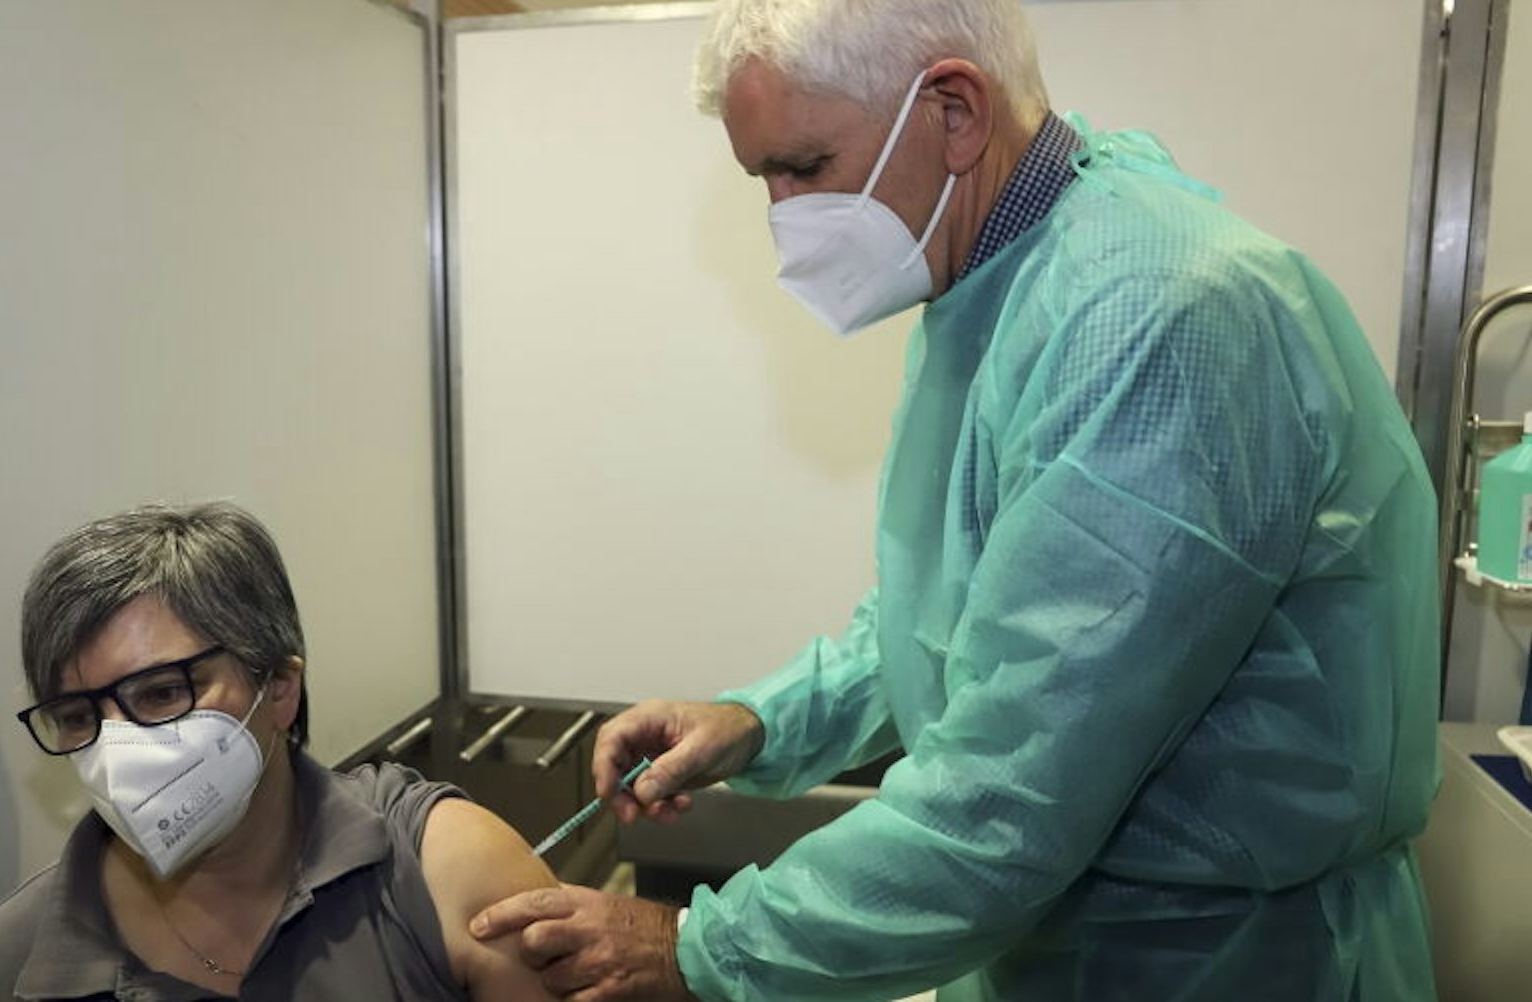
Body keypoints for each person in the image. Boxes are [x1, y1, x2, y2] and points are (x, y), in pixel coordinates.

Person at [470, 1, 1441, 1000]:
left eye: (802, 167)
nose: (783, 221)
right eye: (764, 179)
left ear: (954, 111)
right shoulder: (998, 288)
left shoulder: (1155, 319)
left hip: (1213, 965)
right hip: (1060, 949)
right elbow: (970, 614)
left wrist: (696, 948)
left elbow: (1020, 779)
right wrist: (760, 721)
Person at [0, 502, 560, 1001]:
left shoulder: (443, 873)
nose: (117, 751)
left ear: (280, 686)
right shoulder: (6, 971)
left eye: (162, 692)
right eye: (78, 717)